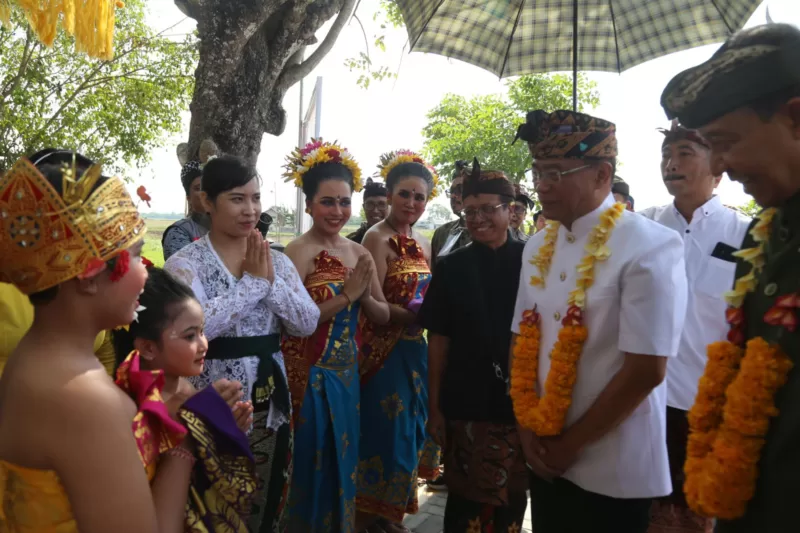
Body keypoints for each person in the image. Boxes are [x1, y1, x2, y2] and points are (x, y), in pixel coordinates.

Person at [511, 110, 688, 533]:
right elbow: (521, 335)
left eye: (555, 172)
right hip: (543, 449)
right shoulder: (537, 244)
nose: (542, 185)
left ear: (601, 174)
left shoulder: (649, 245)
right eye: (538, 172)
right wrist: (525, 427)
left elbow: (646, 369)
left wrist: (570, 444)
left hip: (613, 460)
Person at [0, 150, 193, 532]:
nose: (145, 272)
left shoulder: (31, 361)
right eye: (137, 256)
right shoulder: (85, 400)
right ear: (89, 275)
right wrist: (183, 447)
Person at [661, 22, 800, 533]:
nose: (719, 164)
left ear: (796, 119)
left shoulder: (750, 231)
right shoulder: (770, 237)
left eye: (725, 142)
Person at [164, 154, 320, 533]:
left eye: (255, 198)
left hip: (271, 398)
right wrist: (253, 286)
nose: (250, 209)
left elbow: (306, 322)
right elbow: (195, 330)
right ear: (207, 201)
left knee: (264, 498)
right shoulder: (186, 264)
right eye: (237, 198)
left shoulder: (276, 260)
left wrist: (269, 282)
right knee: (209, 499)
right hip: (212, 395)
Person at [638, 121, 750, 533]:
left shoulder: (746, 235)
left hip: (707, 407)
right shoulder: (641, 228)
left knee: (697, 518)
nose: (671, 163)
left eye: (685, 153)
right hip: (640, 400)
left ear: (717, 167)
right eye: (667, 155)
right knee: (642, 515)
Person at [281, 140, 390, 532]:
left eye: (344, 202)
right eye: (328, 202)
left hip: (348, 377)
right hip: (309, 376)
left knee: (344, 463)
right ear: (309, 204)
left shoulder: (358, 252)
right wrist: (348, 296)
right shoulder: (295, 252)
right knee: (311, 465)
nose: (338, 211)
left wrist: (385, 300)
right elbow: (297, 322)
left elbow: (378, 311)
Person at [419, 159, 529, 533]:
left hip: (520, 404)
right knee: (465, 504)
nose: (478, 218)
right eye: (470, 212)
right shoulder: (451, 267)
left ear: (510, 210)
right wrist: (434, 408)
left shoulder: (534, 261)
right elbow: (438, 340)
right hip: (465, 401)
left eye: (488, 209)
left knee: (512, 502)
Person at [113, 266, 259, 532]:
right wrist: (196, 427)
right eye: (190, 336)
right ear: (147, 347)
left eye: (202, 332)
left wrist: (224, 431)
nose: (203, 344)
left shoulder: (186, 389)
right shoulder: (133, 409)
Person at [358, 150, 442, 533]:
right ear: (389, 195)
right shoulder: (375, 238)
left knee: (411, 432)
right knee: (387, 434)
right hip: (382, 352)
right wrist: (418, 316)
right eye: (404, 194)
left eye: (419, 197)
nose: (411, 203)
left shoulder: (423, 241)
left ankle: (391, 513)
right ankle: (369, 516)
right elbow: (374, 303)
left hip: (415, 350)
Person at [162, 140, 218, 261]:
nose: (206, 193)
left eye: (210, 186)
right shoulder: (179, 232)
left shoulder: (229, 226)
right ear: (189, 197)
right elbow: (183, 275)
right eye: (198, 188)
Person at [431, 160, 471, 264]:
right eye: (452, 191)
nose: (453, 196)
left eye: (460, 190)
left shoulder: (490, 234)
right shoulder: (441, 233)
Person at [347, 178, 388, 244]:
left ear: (390, 207)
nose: (375, 211)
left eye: (381, 205)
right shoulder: (351, 242)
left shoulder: (400, 240)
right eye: (370, 204)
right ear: (364, 207)